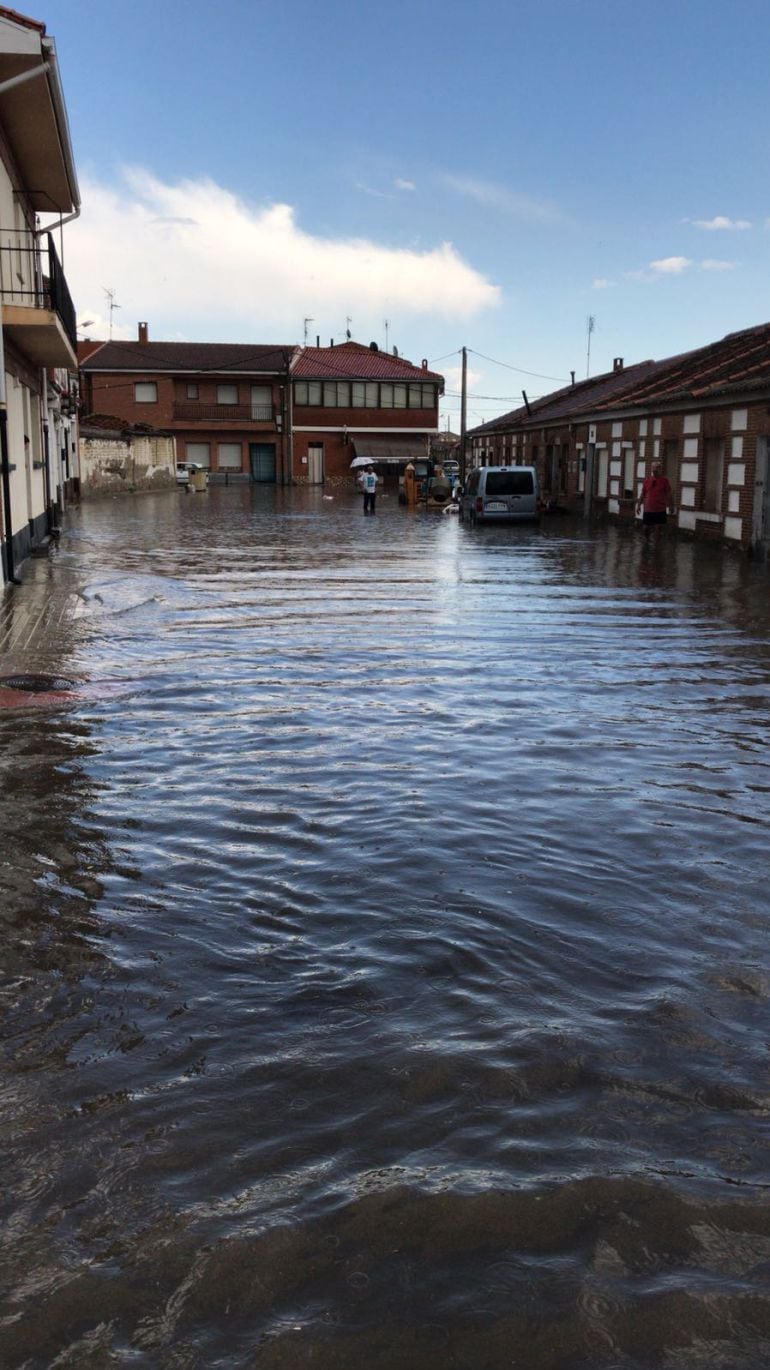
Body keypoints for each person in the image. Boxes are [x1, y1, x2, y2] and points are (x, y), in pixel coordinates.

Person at [636, 459, 674, 541]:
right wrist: (638, 505)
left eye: (657, 467)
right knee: (646, 528)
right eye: (653, 467)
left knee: (658, 528)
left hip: (660, 508)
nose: (655, 469)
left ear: (660, 469)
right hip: (648, 509)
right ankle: (647, 542)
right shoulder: (647, 480)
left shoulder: (664, 480)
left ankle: (657, 549)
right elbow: (643, 493)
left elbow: (669, 494)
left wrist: (671, 506)